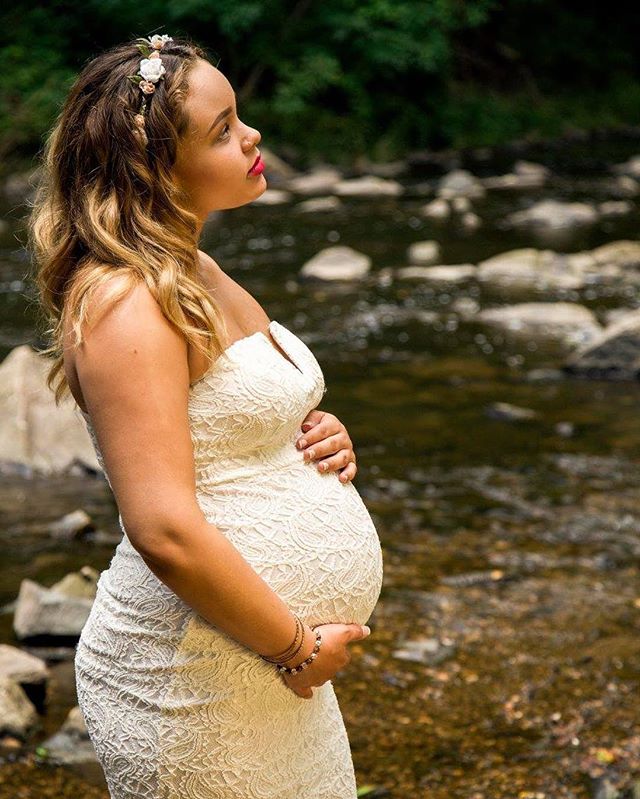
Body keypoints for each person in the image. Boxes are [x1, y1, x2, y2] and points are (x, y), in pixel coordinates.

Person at [28, 32, 384, 799]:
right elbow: (162, 527)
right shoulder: (124, 301)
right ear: (155, 168)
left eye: (239, 117)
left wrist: (311, 439)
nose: (251, 137)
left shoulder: (193, 266)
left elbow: (230, 418)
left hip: (259, 664)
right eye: (222, 130)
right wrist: (296, 648)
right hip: (195, 679)